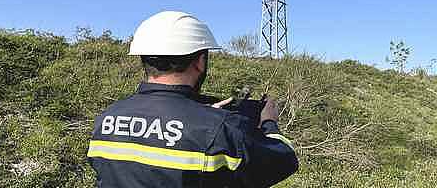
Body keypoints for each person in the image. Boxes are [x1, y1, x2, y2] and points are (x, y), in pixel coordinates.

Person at [87, 11, 298, 187]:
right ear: (200, 61)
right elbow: (284, 160)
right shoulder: (220, 129)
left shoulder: (106, 118)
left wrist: (202, 116)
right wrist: (269, 122)